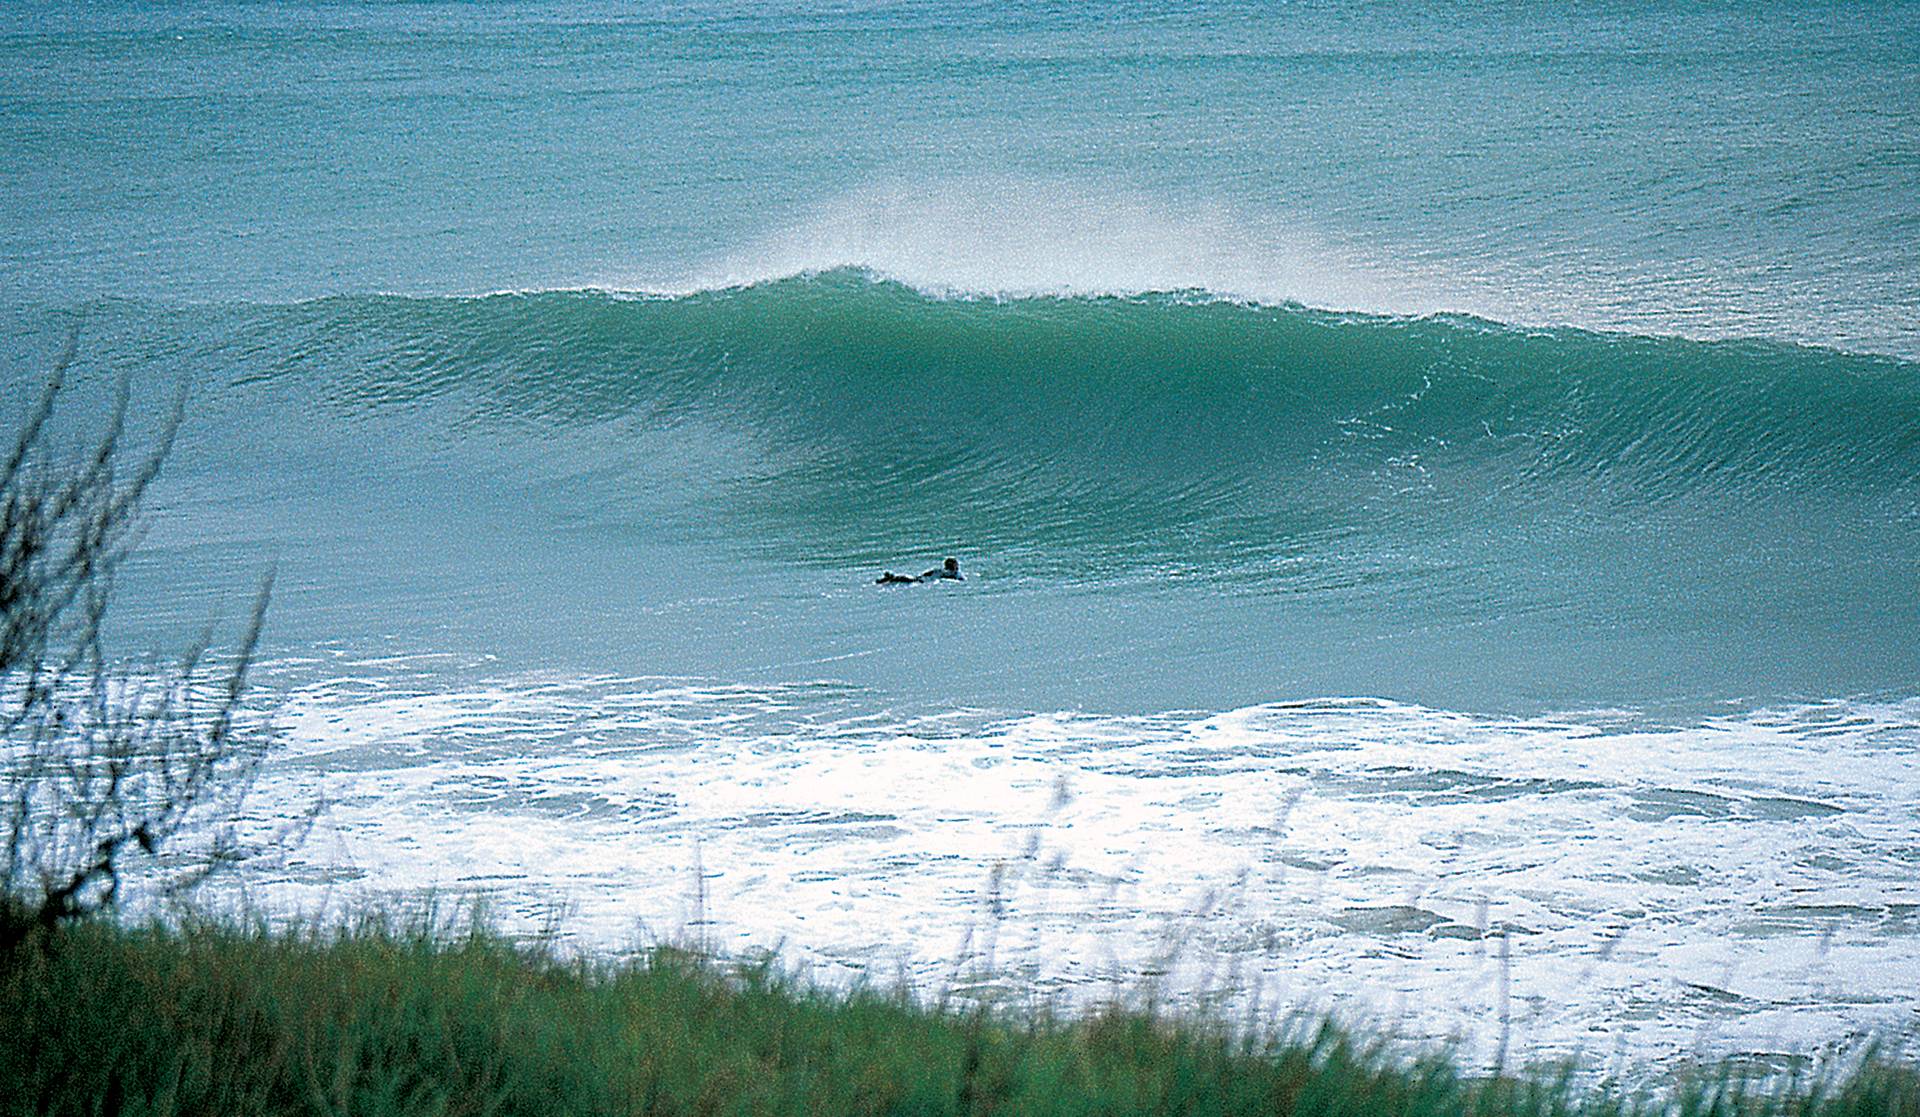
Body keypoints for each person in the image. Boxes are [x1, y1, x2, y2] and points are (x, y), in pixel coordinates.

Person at [875, 557, 963, 585]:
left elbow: (929, 572)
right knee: (911, 580)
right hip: (926, 580)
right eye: (956, 564)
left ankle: (891, 578)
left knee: (911, 579)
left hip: (925, 577)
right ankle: (891, 578)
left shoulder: (940, 570)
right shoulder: (951, 573)